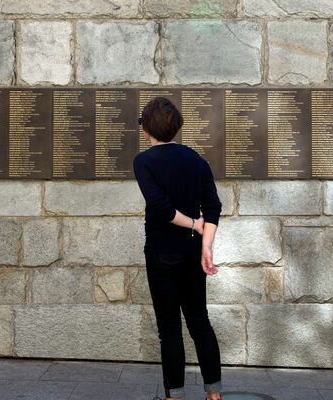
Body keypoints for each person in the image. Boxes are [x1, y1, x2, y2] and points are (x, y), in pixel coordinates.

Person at [133, 97, 223, 400]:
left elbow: (162, 209)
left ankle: (175, 396)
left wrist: (194, 225)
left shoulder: (143, 161)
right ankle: (214, 394)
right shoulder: (196, 160)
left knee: (169, 327)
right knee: (199, 320)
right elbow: (213, 207)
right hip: (192, 252)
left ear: (147, 128)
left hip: (161, 252)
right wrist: (205, 245)